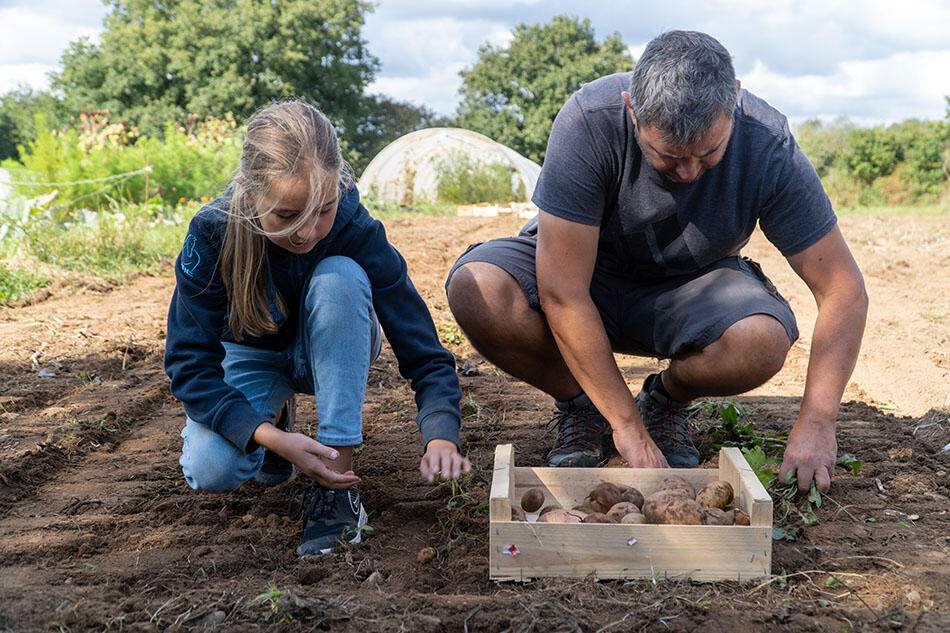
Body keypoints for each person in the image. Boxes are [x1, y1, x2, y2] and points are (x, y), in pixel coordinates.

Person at [445, 30, 867, 493]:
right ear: (632, 110)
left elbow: (842, 288)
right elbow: (562, 291)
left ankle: (665, 401)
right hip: (585, 277)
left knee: (760, 340)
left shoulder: (767, 143)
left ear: (734, 102)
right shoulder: (589, 120)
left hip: (693, 287)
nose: (688, 171)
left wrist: (818, 421)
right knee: (479, 287)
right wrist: (626, 426)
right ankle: (584, 403)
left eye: (708, 152)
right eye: (668, 155)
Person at [165, 101, 470, 557]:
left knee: (339, 279)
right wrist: (267, 436)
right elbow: (189, 365)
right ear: (249, 192)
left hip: (330, 343)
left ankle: (336, 485)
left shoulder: (354, 226)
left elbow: (420, 344)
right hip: (253, 354)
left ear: (339, 186)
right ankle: (273, 420)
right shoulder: (212, 233)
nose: (307, 232)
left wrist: (441, 429)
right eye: (287, 215)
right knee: (212, 468)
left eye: (323, 211)